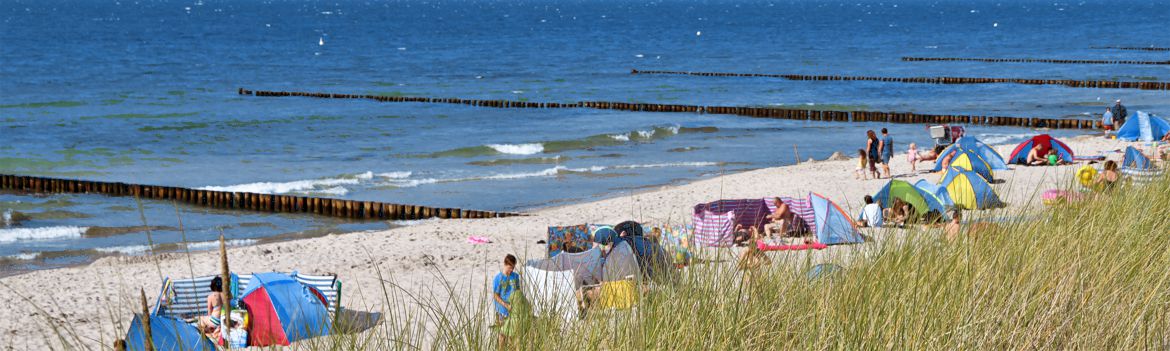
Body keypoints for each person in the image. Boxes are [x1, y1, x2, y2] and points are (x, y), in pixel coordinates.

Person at [493, 254, 520, 348]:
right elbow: (495, 295)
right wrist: (505, 305)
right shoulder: (498, 278)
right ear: (505, 264)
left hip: (514, 309)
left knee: (513, 335)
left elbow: (518, 291)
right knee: (502, 334)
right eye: (509, 267)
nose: (511, 270)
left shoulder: (516, 277)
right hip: (502, 309)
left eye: (513, 267)